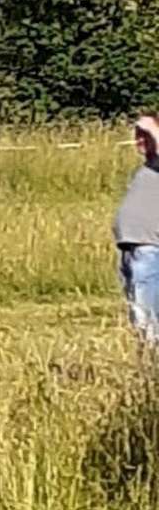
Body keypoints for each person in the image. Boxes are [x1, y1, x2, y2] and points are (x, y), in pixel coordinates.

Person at [113, 114, 159, 347]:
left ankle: (152, 365)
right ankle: (148, 362)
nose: (138, 140)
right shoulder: (150, 167)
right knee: (138, 313)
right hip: (133, 248)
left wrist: (153, 129)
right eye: (137, 135)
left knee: (147, 316)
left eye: (145, 136)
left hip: (150, 250)